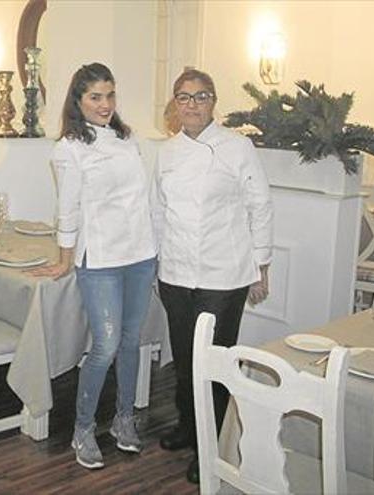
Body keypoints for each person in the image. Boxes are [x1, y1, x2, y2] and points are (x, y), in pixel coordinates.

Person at [29, 63, 157, 470]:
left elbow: (144, 199)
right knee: (105, 344)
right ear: (78, 101)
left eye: (110, 95)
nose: (105, 105)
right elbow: (67, 207)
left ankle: (123, 420)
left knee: (131, 340)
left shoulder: (127, 137)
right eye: (95, 97)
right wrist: (65, 257)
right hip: (99, 257)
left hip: (140, 254)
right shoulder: (68, 148)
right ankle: (82, 428)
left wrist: (159, 250)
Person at [152, 69, 273, 484]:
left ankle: (213, 448)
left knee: (214, 363)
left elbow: (261, 206)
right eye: (184, 97)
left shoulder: (238, 148)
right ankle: (189, 427)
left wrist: (262, 265)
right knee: (185, 359)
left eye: (201, 96)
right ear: (175, 103)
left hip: (224, 276)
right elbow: (158, 212)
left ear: (213, 101)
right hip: (176, 272)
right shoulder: (166, 153)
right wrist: (157, 263)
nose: (192, 104)